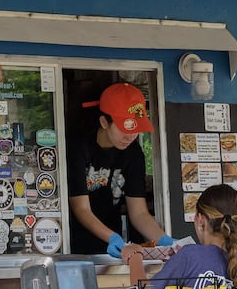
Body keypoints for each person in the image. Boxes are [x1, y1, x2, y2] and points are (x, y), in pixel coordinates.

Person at [67, 82, 172, 255]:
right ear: (104, 122)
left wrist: (165, 241)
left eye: (136, 129)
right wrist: (113, 238)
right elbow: (81, 208)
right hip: (75, 243)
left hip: (113, 244)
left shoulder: (133, 154)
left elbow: (139, 213)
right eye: (124, 128)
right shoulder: (79, 147)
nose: (130, 136)